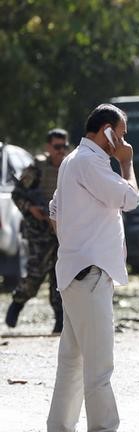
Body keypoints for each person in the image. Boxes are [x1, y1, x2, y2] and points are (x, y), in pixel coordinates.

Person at [45, 104, 139, 432]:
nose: (124, 140)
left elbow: (55, 209)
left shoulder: (74, 160)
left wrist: (73, 241)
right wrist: (127, 163)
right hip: (90, 272)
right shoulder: (91, 162)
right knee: (99, 361)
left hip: (75, 270)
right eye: (122, 132)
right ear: (107, 131)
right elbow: (129, 199)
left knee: (73, 358)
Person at [5, 129, 69, 334]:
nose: (61, 151)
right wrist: (31, 209)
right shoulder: (37, 169)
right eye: (57, 147)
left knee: (60, 278)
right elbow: (17, 195)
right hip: (40, 231)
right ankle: (17, 303)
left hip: (63, 231)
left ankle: (60, 321)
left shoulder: (71, 167)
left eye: (64, 147)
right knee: (35, 274)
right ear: (48, 148)